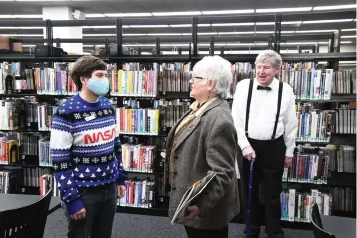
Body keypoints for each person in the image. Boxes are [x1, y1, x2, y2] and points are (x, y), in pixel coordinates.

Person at [50, 56, 127, 238]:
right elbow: (60, 161)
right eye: (99, 75)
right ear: (84, 79)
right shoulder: (66, 112)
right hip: (83, 192)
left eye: (106, 75)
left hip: (109, 188)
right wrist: (72, 199)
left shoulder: (107, 106)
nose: (105, 80)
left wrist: (121, 178)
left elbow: (115, 145)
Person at [166, 55, 240, 238]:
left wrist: (201, 204)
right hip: (193, 200)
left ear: (211, 84)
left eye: (196, 78)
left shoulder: (219, 119)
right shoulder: (199, 107)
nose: (191, 81)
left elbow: (222, 172)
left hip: (205, 209)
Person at [232, 50, 298, 238]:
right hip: (247, 145)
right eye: (258, 67)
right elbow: (235, 118)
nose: (261, 71)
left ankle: (274, 232)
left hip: (274, 147)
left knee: (272, 194)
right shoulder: (244, 86)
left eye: (266, 68)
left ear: (277, 69)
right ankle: (251, 231)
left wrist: (289, 152)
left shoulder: (286, 90)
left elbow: (291, 123)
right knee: (248, 192)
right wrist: (244, 145)